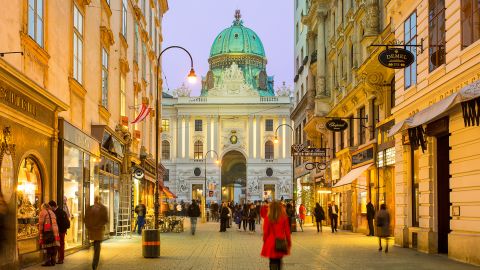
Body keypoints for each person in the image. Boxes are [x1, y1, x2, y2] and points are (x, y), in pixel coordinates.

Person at [261, 201, 291, 270]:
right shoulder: (284, 218)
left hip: (270, 243)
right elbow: (287, 232)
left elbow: (265, 232)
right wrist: (289, 243)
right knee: (279, 260)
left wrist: (265, 241)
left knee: (272, 261)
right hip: (280, 242)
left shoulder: (267, 218)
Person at [85, 196, 109, 270]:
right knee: (97, 247)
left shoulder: (90, 208)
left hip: (93, 231)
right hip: (97, 231)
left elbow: (85, 219)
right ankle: (95, 263)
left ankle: (95, 262)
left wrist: (89, 227)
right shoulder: (103, 208)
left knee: (96, 246)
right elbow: (105, 220)